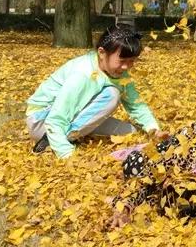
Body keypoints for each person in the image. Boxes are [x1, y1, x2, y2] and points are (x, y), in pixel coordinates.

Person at [25, 26, 163, 158]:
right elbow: (55, 119)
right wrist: (67, 155)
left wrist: (154, 130)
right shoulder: (83, 73)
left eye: (132, 61)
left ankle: (72, 135)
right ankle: (52, 141)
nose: (126, 66)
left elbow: (135, 104)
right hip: (42, 122)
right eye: (122, 60)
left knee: (131, 132)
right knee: (112, 95)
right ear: (102, 53)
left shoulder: (120, 74)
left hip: (75, 116)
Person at [107, 119, 196, 230]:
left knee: (135, 165)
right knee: (137, 163)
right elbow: (147, 180)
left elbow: (148, 186)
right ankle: (160, 144)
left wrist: (125, 207)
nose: (167, 183)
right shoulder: (186, 157)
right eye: (171, 186)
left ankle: (158, 146)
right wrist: (124, 207)